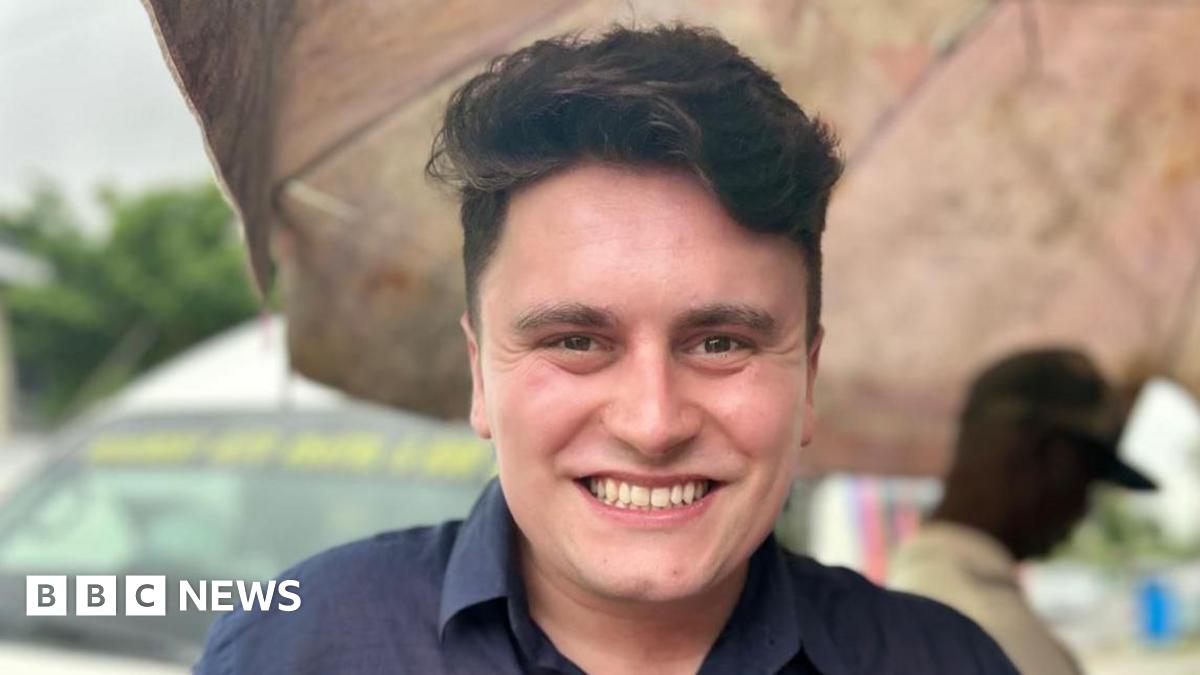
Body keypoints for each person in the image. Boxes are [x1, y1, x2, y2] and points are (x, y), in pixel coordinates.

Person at [195, 25, 1016, 674]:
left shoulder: (943, 661)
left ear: (806, 376)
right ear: (480, 373)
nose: (653, 424)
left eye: (720, 342)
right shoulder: (297, 647)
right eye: (576, 340)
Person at [889, 348, 1158, 675]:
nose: (1082, 510)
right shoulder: (981, 626)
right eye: (1083, 478)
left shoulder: (920, 592)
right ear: (1046, 454)